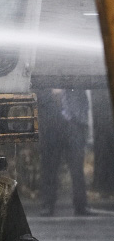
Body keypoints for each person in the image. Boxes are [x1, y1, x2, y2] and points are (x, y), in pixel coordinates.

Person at [38, 87, 93, 216]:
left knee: (77, 169)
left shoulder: (75, 84)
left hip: (74, 126)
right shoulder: (46, 84)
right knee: (50, 167)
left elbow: (84, 103)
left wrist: (81, 124)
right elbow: (41, 104)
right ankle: (48, 205)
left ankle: (81, 205)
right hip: (51, 129)